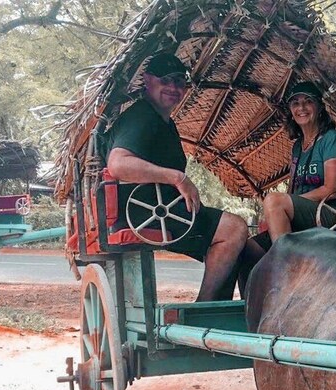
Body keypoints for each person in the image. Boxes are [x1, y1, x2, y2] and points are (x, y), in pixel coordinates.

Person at [104, 52, 247, 301]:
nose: (173, 87)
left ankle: (223, 313)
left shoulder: (164, 122)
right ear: (148, 81)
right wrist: (178, 178)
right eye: (166, 80)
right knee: (233, 229)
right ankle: (203, 311)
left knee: (248, 247)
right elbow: (118, 164)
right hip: (146, 213)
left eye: (179, 82)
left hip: (163, 209)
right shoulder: (142, 117)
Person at [235, 81, 336, 291]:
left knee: (274, 200)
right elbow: (292, 190)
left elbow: (331, 189)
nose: (302, 108)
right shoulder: (298, 146)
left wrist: (285, 205)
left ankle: (288, 278)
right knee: (246, 250)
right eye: (295, 103)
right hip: (301, 214)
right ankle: (249, 309)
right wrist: (280, 209)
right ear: (290, 110)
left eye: (308, 102)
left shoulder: (332, 139)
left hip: (329, 213)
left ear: (319, 107)